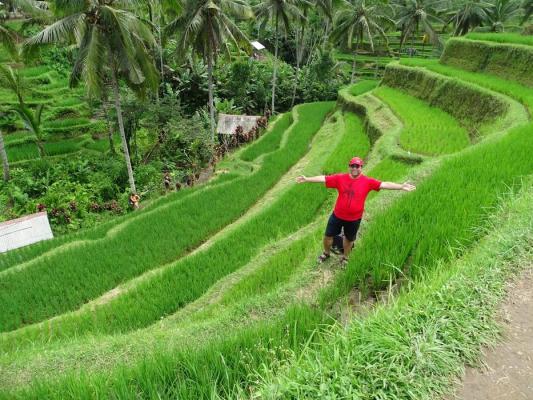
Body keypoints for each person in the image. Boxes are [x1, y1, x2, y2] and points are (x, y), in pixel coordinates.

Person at [296, 156, 416, 266]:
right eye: (352, 165)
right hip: (337, 215)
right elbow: (324, 178)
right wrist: (307, 179)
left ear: (361, 168)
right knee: (328, 236)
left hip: (354, 218)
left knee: (349, 239)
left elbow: (384, 184)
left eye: (357, 166)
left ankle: (345, 258)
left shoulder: (368, 181)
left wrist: (401, 186)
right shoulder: (340, 178)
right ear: (349, 167)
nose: (354, 168)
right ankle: (326, 253)